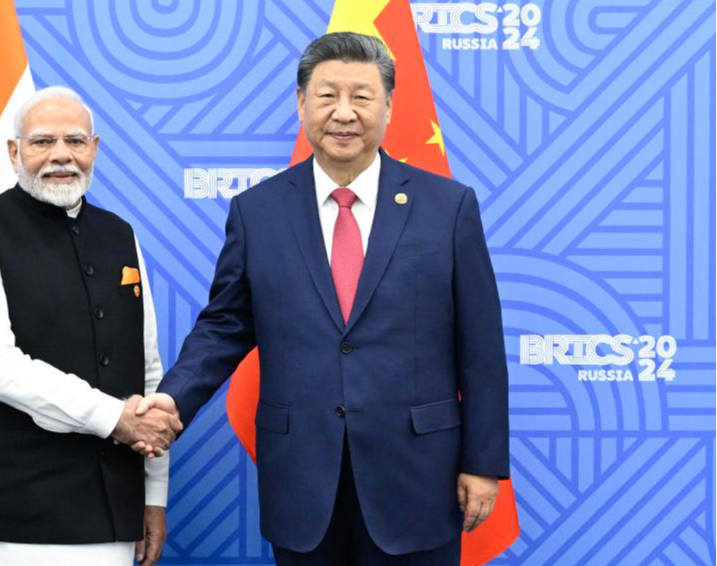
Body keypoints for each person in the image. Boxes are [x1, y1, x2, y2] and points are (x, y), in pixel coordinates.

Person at [136, 32, 510, 565]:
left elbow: (480, 348)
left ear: (388, 106)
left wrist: (483, 461)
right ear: (301, 103)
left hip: (419, 478)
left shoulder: (447, 208)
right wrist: (172, 400)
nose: (344, 113)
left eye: (361, 96)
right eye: (327, 95)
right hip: (302, 479)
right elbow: (224, 326)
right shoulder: (257, 213)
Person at [0, 86, 180, 566]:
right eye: (43, 141)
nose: (61, 155)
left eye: (76, 141)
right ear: (14, 152)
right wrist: (115, 418)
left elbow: (146, 371)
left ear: (95, 149)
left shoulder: (119, 234)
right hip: (4, 514)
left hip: (110, 511)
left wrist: (154, 497)